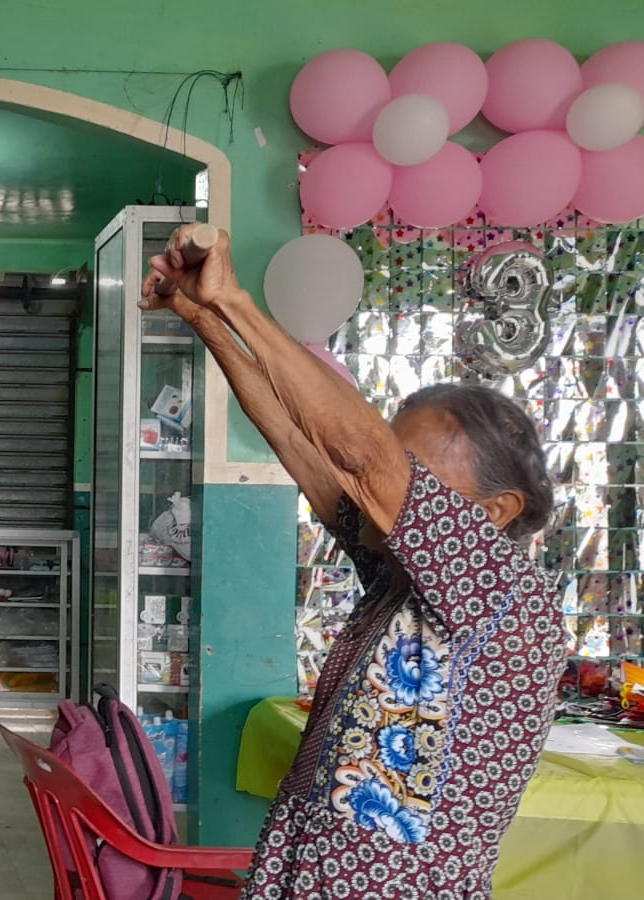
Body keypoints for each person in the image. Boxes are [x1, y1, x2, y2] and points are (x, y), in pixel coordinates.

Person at [141, 227, 562, 899]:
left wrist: (238, 301)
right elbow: (296, 438)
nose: (379, 488)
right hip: (306, 872)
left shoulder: (498, 591)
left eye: (412, 474)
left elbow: (363, 458)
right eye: (395, 463)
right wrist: (203, 316)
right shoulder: (403, 574)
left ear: (494, 511)